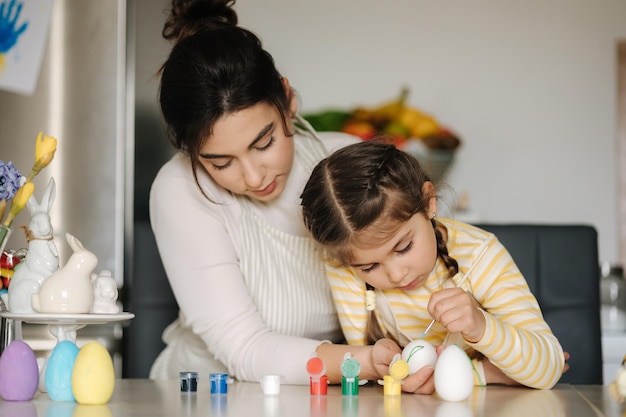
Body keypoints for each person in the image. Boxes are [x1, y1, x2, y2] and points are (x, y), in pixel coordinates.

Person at [149, 0, 415, 386]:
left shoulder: (342, 160)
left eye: (264, 142)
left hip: (324, 393)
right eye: (221, 164)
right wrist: (367, 362)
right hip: (206, 397)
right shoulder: (179, 189)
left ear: (287, 100)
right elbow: (245, 349)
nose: (254, 177)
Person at [300, 140, 567, 391]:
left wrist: (481, 327)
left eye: (404, 248)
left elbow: (549, 367)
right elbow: (373, 375)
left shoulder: (479, 255)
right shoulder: (344, 266)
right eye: (369, 267)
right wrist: (485, 373)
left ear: (429, 202)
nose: (396, 274)